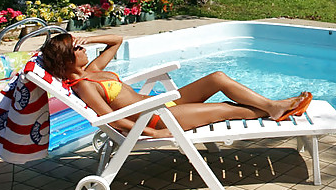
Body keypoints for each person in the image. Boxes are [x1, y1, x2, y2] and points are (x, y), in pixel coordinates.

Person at [39, 33, 311, 139]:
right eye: (77, 48)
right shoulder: (84, 85)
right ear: (67, 59)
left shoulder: (92, 70)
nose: (83, 48)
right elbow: (110, 118)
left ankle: (273, 107)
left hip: (164, 105)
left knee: (217, 77)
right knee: (226, 108)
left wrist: (90, 36)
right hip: (158, 118)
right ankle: (273, 110)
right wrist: (150, 133)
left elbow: (117, 41)